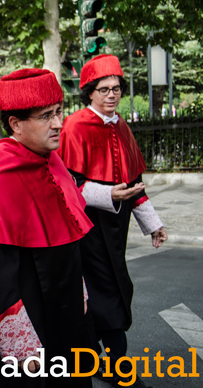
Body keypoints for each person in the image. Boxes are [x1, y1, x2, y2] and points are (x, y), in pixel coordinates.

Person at [0, 69, 95, 387]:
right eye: (45, 116)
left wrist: (79, 288)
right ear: (16, 124)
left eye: (58, 112)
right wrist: (22, 352)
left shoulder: (53, 160)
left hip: (67, 308)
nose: (57, 123)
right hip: (27, 321)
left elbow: (68, 237)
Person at [57, 54, 167, 388]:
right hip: (87, 226)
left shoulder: (121, 125)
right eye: (103, 89)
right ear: (89, 92)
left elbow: (134, 184)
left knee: (113, 287)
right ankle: (118, 364)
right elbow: (69, 184)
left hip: (118, 228)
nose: (111, 95)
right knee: (103, 292)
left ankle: (96, 359)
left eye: (116, 88)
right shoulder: (75, 125)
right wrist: (108, 196)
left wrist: (154, 224)